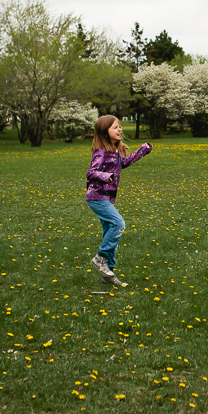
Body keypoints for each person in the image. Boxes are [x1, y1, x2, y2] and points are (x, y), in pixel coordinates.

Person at [86, 115, 152, 288]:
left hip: (106, 198)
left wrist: (142, 150)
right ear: (105, 133)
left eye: (119, 126)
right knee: (118, 224)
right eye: (115, 127)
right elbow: (91, 173)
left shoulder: (115, 151)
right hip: (97, 196)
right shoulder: (101, 152)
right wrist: (107, 177)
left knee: (111, 233)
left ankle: (108, 274)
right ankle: (100, 258)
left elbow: (125, 162)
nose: (120, 129)